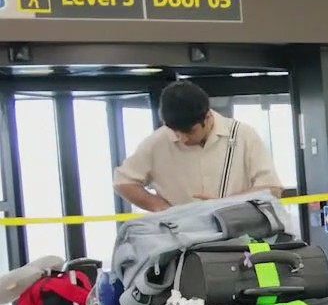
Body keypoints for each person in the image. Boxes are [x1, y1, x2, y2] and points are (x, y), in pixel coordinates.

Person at [113, 80, 283, 212]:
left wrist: (225, 205)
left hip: (240, 236)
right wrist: (162, 209)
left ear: (207, 117)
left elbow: (272, 189)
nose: (182, 138)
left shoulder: (243, 135)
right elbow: (123, 181)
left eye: (189, 131)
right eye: (175, 131)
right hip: (183, 239)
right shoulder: (157, 141)